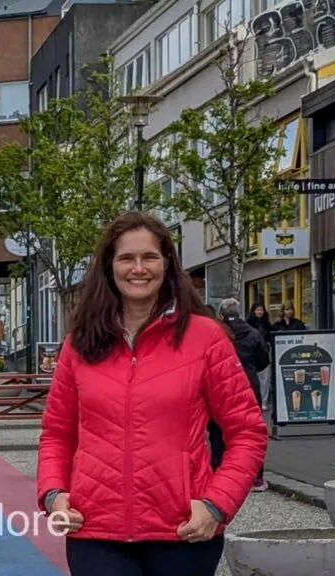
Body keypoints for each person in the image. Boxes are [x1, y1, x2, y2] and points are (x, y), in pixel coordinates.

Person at [36, 212, 267, 576]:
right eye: (126, 258)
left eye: (150, 257)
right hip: (95, 532)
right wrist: (54, 494)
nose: (138, 268)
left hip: (183, 533)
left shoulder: (205, 338)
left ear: (168, 264)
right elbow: (57, 433)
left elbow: (248, 432)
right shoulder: (79, 345)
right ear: (109, 267)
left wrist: (217, 505)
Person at [209, 297, 271, 492]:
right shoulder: (253, 333)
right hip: (249, 385)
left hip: (221, 387)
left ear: (221, 315)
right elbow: (263, 360)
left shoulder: (216, 333)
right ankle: (257, 478)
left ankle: (219, 472)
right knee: (250, 431)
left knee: (218, 432)